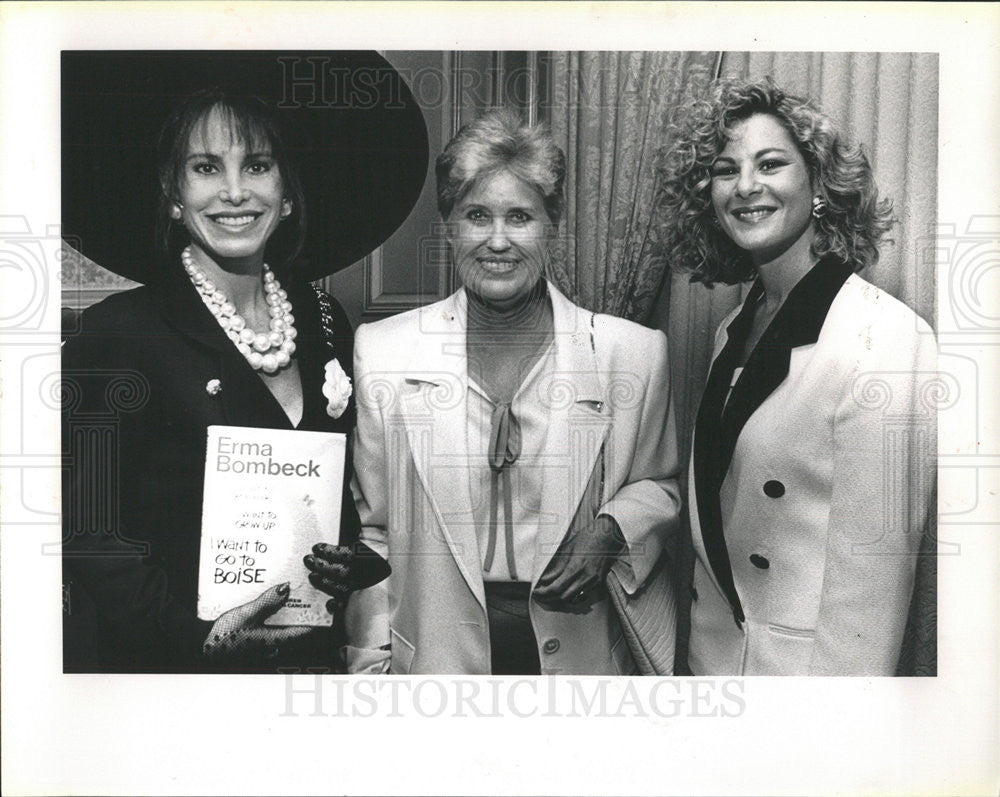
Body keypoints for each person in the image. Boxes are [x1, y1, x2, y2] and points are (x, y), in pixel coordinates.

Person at [61, 52, 428, 672]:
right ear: (174, 197)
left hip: (310, 664)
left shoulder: (324, 320)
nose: (235, 192)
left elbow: (338, 498)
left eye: (257, 165)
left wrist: (348, 560)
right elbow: (86, 530)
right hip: (166, 673)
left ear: (285, 195)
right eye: (206, 168)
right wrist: (190, 636)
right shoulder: (117, 333)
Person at [344, 109, 682, 675]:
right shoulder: (383, 353)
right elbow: (375, 534)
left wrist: (612, 529)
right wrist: (370, 668)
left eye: (520, 216)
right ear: (449, 224)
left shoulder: (632, 353)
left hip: (584, 656)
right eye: (477, 215)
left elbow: (661, 486)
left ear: (552, 225)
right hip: (436, 661)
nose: (497, 241)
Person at [656, 77, 936, 675]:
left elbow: (873, 582)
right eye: (726, 169)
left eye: (771, 163)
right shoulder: (733, 327)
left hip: (806, 684)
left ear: (817, 185)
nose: (746, 186)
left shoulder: (885, 339)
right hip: (717, 668)